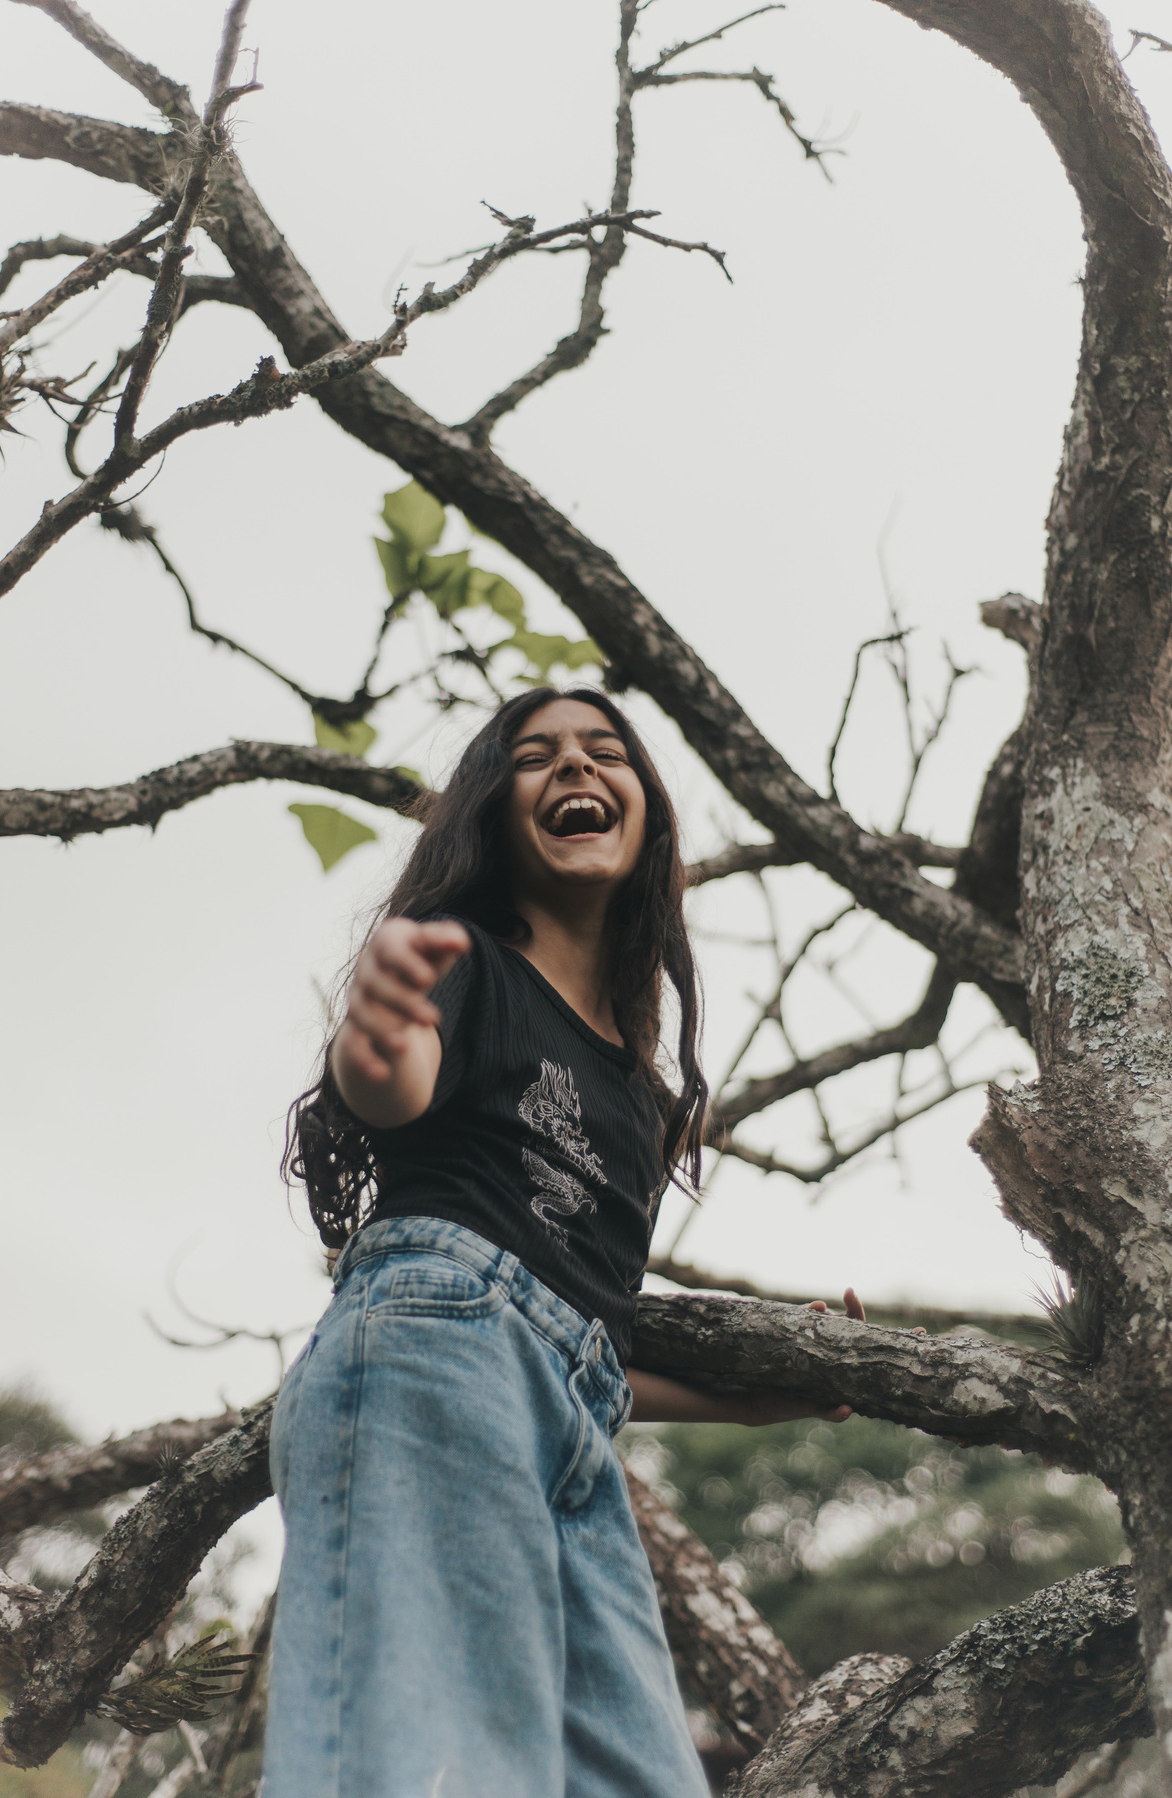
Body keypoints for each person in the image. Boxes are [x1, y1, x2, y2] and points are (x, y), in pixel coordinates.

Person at [263, 687, 863, 1798]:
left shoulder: (639, 1099)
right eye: (537, 757)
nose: (575, 768)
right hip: (434, 1357)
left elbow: (590, 1325)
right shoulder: (467, 965)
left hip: (576, 1423)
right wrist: (374, 1030)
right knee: (433, 1767)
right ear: (493, 812)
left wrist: (754, 1398)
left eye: (605, 752)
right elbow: (392, 1092)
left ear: (649, 814)